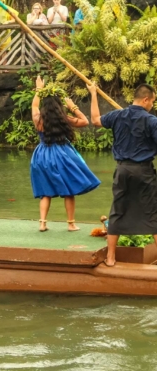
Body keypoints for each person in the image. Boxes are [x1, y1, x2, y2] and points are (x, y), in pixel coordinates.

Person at [87, 82, 157, 267]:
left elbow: (95, 120)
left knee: (117, 211)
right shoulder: (151, 121)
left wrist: (93, 93)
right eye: (152, 102)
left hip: (123, 170)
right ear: (145, 99)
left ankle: (111, 257)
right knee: (153, 214)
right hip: (143, 171)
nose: (152, 107)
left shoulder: (118, 115)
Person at [31, 77, 100, 232]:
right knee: (69, 190)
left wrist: (39, 89)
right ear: (59, 107)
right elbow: (85, 121)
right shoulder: (65, 119)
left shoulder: (38, 119)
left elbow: (34, 105)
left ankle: (42, 224)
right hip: (62, 155)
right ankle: (71, 224)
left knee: (45, 192)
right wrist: (72, 106)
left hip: (42, 155)